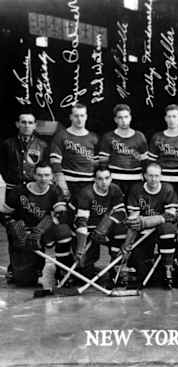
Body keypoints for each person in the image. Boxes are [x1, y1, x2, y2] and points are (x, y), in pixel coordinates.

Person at [1, 163, 73, 286]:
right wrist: (12, 225)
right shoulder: (18, 191)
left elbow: (61, 215)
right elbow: (4, 214)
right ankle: (17, 268)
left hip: (43, 232)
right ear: (34, 175)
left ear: (52, 177)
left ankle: (63, 271)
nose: (43, 179)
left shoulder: (55, 191)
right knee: (25, 281)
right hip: (24, 235)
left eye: (46, 175)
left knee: (64, 232)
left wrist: (41, 228)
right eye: (39, 175)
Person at [0, 110, 49, 281]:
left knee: (36, 230)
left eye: (30, 122)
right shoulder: (7, 144)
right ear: (17, 124)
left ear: (35, 125)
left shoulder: (42, 145)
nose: (26, 125)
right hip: (13, 191)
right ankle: (14, 268)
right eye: (23, 122)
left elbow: (45, 169)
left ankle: (37, 268)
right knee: (14, 230)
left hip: (33, 191)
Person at [125, 163, 178, 288]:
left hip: (162, 229)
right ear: (144, 176)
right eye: (150, 176)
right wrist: (142, 224)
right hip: (143, 232)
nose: (153, 179)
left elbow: (170, 216)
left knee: (168, 230)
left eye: (156, 176)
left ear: (161, 176)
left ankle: (168, 268)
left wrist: (148, 221)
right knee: (142, 271)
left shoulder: (168, 189)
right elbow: (134, 218)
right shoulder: (136, 189)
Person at [71, 165, 127, 280]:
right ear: (95, 179)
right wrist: (81, 247)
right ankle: (84, 268)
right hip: (87, 229)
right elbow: (81, 221)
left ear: (111, 178)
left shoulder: (115, 189)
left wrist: (105, 225)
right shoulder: (86, 193)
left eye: (107, 178)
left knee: (122, 231)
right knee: (84, 274)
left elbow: (121, 212)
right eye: (100, 178)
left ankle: (115, 267)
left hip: (105, 229)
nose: (104, 182)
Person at [50, 103, 99, 201]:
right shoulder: (61, 136)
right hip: (67, 181)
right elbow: (55, 162)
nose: (79, 119)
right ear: (71, 117)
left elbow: (97, 164)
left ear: (86, 117)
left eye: (82, 115)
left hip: (88, 182)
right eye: (76, 116)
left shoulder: (94, 138)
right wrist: (62, 184)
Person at [98, 104, 148, 196]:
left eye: (126, 117)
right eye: (120, 118)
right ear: (115, 120)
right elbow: (103, 163)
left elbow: (145, 161)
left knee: (134, 207)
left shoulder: (139, 136)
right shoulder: (108, 137)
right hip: (115, 179)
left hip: (135, 179)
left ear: (130, 117)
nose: (124, 120)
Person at [148, 104, 178, 194]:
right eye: (169, 116)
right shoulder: (157, 137)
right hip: (163, 180)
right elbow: (151, 162)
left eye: (174, 116)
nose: (171, 119)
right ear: (165, 118)